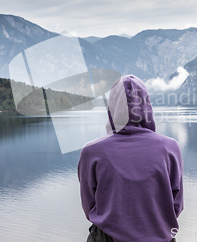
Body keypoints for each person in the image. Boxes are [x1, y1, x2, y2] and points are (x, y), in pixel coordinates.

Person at [78, 75, 184, 242]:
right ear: (147, 105)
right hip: (159, 236)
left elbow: (89, 205)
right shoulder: (170, 147)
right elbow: (176, 204)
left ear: (112, 107)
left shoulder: (91, 151)